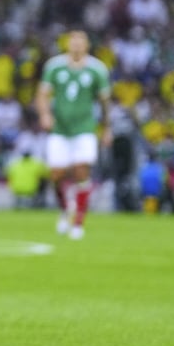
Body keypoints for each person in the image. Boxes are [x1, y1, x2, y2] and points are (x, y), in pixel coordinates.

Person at [35, 30, 112, 240]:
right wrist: (45, 114)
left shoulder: (97, 69)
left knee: (81, 171)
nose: (76, 46)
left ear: (86, 45)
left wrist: (106, 127)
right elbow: (42, 94)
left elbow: (105, 102)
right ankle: (64, 209)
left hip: (84, 128)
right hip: (59, 128)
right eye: (73, 42)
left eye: (81, 42)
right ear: (67, 45)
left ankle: (78, 223)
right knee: (56, 174)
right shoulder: (54, 66)